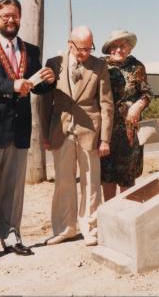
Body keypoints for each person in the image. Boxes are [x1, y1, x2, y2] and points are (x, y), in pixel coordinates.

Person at [0, 0, 55, 264]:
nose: (11, 20)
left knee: (13, 190)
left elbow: (34, 86)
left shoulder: (31, 50)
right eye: (5, 16)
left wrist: (47, 82)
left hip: (19, 129)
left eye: (15, 16)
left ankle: (12, 236)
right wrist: (11, 85)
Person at [40, 26, 114, 246]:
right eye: (80, 48)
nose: (84, 53)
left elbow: (106, 104)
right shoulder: (53, 64)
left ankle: (90, 228)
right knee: (63, 183)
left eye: (88, 48)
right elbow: (45, 102)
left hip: (90, 132)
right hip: (60, 131)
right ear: (69, 44)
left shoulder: (100, 66)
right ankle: (65, 228)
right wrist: (45, 134)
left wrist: (105, 139)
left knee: (91, 183)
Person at [100, 29, 152, 201]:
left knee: (127, 175)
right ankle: (109, 213)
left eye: (123, 46)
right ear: (109, 49)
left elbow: (147, 94)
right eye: (114, 46)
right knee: (106, 173)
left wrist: (137, 106)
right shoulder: (100, 65)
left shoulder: (137, 66)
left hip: (129, 131)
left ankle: (126, 215)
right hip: (105, 130)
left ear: (130, 48)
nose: (118, 49)